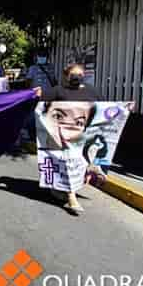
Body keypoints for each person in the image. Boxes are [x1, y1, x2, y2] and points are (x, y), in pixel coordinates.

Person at [41, 63, 100, 214]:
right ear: (66, 76)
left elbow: (102, 108)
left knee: (79, 164)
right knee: (68, 162)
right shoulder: (57, 91)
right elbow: (42, 106)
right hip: (62, 135)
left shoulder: (92, 91)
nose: (77, 78)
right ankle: (71, 197)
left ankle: (61, 188)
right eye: (73, 75)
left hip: (83, 134)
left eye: (80, 75)